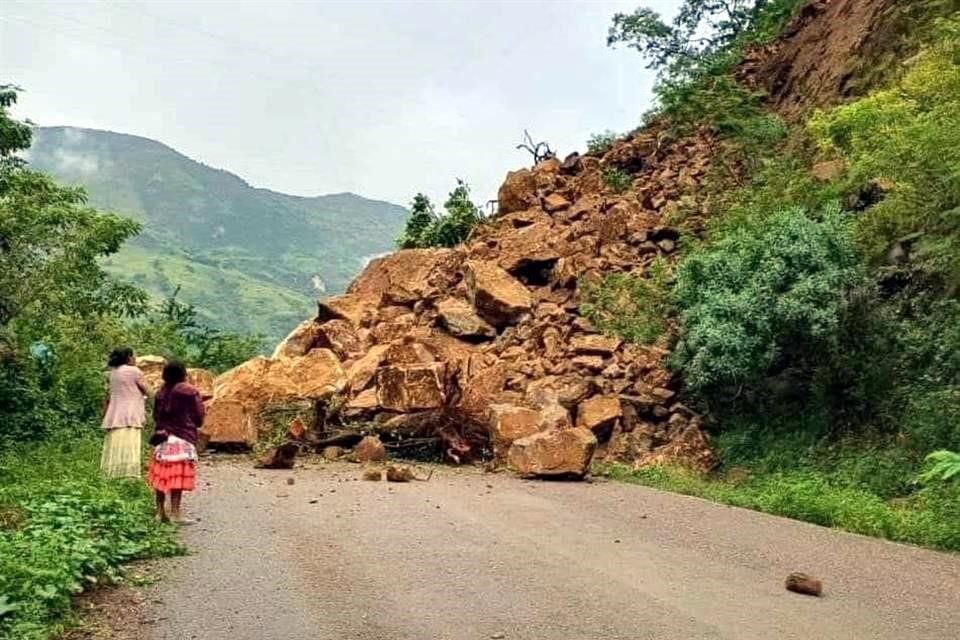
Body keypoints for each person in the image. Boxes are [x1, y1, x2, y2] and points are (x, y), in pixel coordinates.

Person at [148, 361, 203, 523]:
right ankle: (175, 513)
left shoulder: (160, 393)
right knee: (176, 477)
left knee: (161, 476)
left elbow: (156, 417)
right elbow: (199, 417)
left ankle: (159, 512)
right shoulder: (190, 392)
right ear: (183, 374)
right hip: (182, 437)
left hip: (163, 438)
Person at [101, 347, 148, 479]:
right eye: (133, 356)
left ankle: (112, 475)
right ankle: (129, 476)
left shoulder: (112, 373)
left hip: (114, 416)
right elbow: (146, 389)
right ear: (128, 358)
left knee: (115, 448)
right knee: (130, 447)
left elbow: (107, 397)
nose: (135, 358)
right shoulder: (134, 371)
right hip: (131, 415)